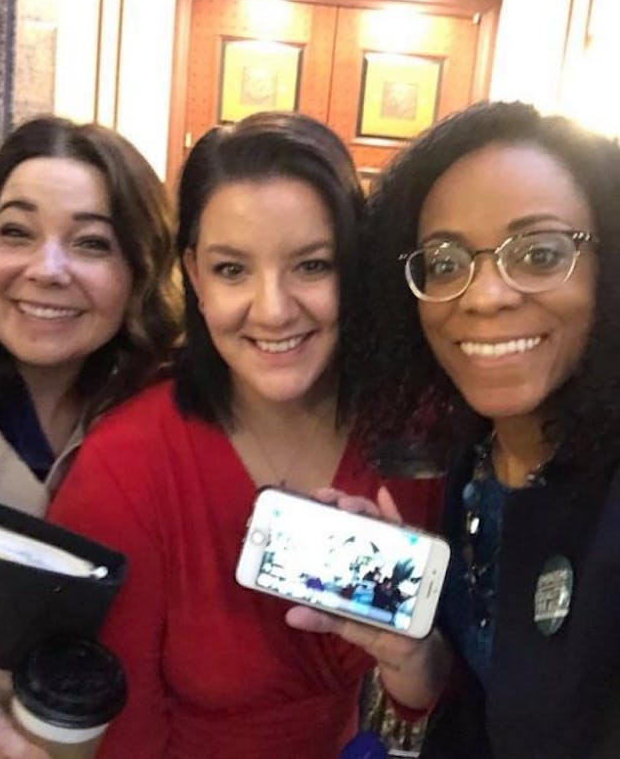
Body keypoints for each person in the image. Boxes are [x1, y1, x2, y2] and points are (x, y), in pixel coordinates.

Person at [48, 111, 448, 759]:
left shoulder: (411, 433)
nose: (273, 308)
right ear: (195, 276)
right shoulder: (129, 464)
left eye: (312, 265)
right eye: (233, 269)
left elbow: (423, 693)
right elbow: (116, 735)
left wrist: (412, 656)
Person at [359, 100, 620, 758]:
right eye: (445, 263)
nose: (483, 295)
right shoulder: (471, 460)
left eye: (538, 253)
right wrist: (416, 653)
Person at [0, 116, 182, 757]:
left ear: (140, 269)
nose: (47, 269)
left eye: (91, 243)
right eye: (16, 232)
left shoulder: (172, 421)